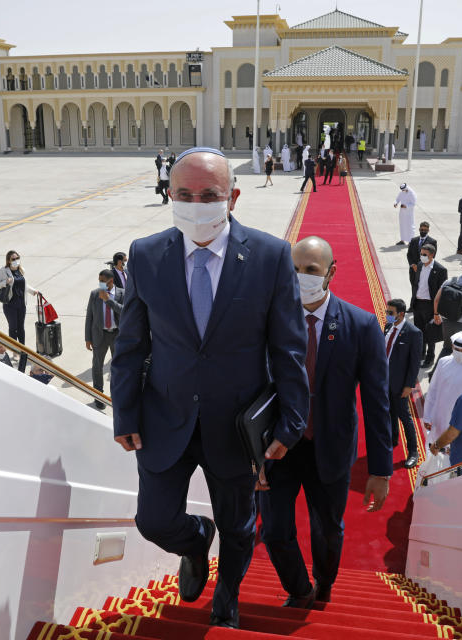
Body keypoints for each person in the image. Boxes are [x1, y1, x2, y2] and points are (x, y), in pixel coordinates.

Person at [110, 147, 309, 629]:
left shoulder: (270, 256)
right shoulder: (146, 254)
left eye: (209, 195)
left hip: (236, 424)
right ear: (170, 195)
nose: (196, 204)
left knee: (239, 528)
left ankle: (229, 595)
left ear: (233, 197)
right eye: (184, 194)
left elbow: (289, 347)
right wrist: (126, 414)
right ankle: (196, 539)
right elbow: (131, 342)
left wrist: (291, 421)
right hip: (165, 415)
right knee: (153, 521)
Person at [260, 236, 391, 608]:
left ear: (331, 273)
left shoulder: (361, 326)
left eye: (311, 271)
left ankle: (325, 582)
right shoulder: (270, 319)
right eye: (295, 270)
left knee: (328, 530)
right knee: (273, 530)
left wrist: (380, 471)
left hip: (329, 447)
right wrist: (252, 455)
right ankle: (299, 589)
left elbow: (377, 402)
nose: (301, 277)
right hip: (279, 445)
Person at [423, 332, 462, 447]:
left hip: (461, 420)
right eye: (457, 349)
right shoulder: (443, 362)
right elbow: (433, 390)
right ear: (452, 347)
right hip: (440, 414)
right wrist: (427, 416)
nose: (459, 353)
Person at [384, 299, 421, 469]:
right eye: (387, 312)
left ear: (401, 314)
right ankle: (392, 439)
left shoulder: (413, 333)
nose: (387, 315)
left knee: (404, 417)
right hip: (385, 382)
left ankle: (413, 452)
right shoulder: (388, 327)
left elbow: (414, 363)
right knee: (389, 412)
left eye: (390, 313)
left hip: (400, 385)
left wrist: (408, 386)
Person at [86, 269, 125, 409]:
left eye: (103, 281)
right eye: (99, 281)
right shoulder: (95, 294)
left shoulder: (122, 293)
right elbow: (89, 317)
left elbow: (125, 311)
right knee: (97, 367)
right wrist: (87, 338)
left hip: (117, 335)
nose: (100, 284)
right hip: (99, 336)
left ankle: (116, 395)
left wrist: (108, 301)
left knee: (117, 367)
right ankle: (99, 396)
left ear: (111, 281)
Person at [411, 243, 448, 367]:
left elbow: (442, 293)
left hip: (430, 305)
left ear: (432, 255)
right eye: (421, 254)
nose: (422, 256)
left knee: (430, 333)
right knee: (418, 331)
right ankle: (420, 354)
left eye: (424, 254)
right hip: (418, 303)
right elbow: (417, 283)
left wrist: (437, 312)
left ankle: (430, 357)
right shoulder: (420, 265)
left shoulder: (440, 270)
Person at [0, 250, 38, 345]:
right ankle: (15, 350)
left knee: (21, 328)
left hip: (21, 304)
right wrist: (5, 282)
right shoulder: (3, 271)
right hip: (10, 305)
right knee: (13, 327)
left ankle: (23, 348)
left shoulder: (21, 270)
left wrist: (33, 291)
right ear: (8, 261)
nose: (16, 260)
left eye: (17, 258)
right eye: (13, 259)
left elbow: (23, 284)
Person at [407, 222, 436, 300]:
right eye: (422, 229)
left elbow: (432, 257)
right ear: (419, 229)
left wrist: (421, 267)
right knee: (414, 287)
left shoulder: (432, 242)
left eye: (425, 230)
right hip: (413, 269)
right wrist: (413, 265)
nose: (423, 231)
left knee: (422, 287)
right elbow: (409, 254)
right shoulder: (413, 240)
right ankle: (412, 305)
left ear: (428, 230)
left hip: (424, 269)